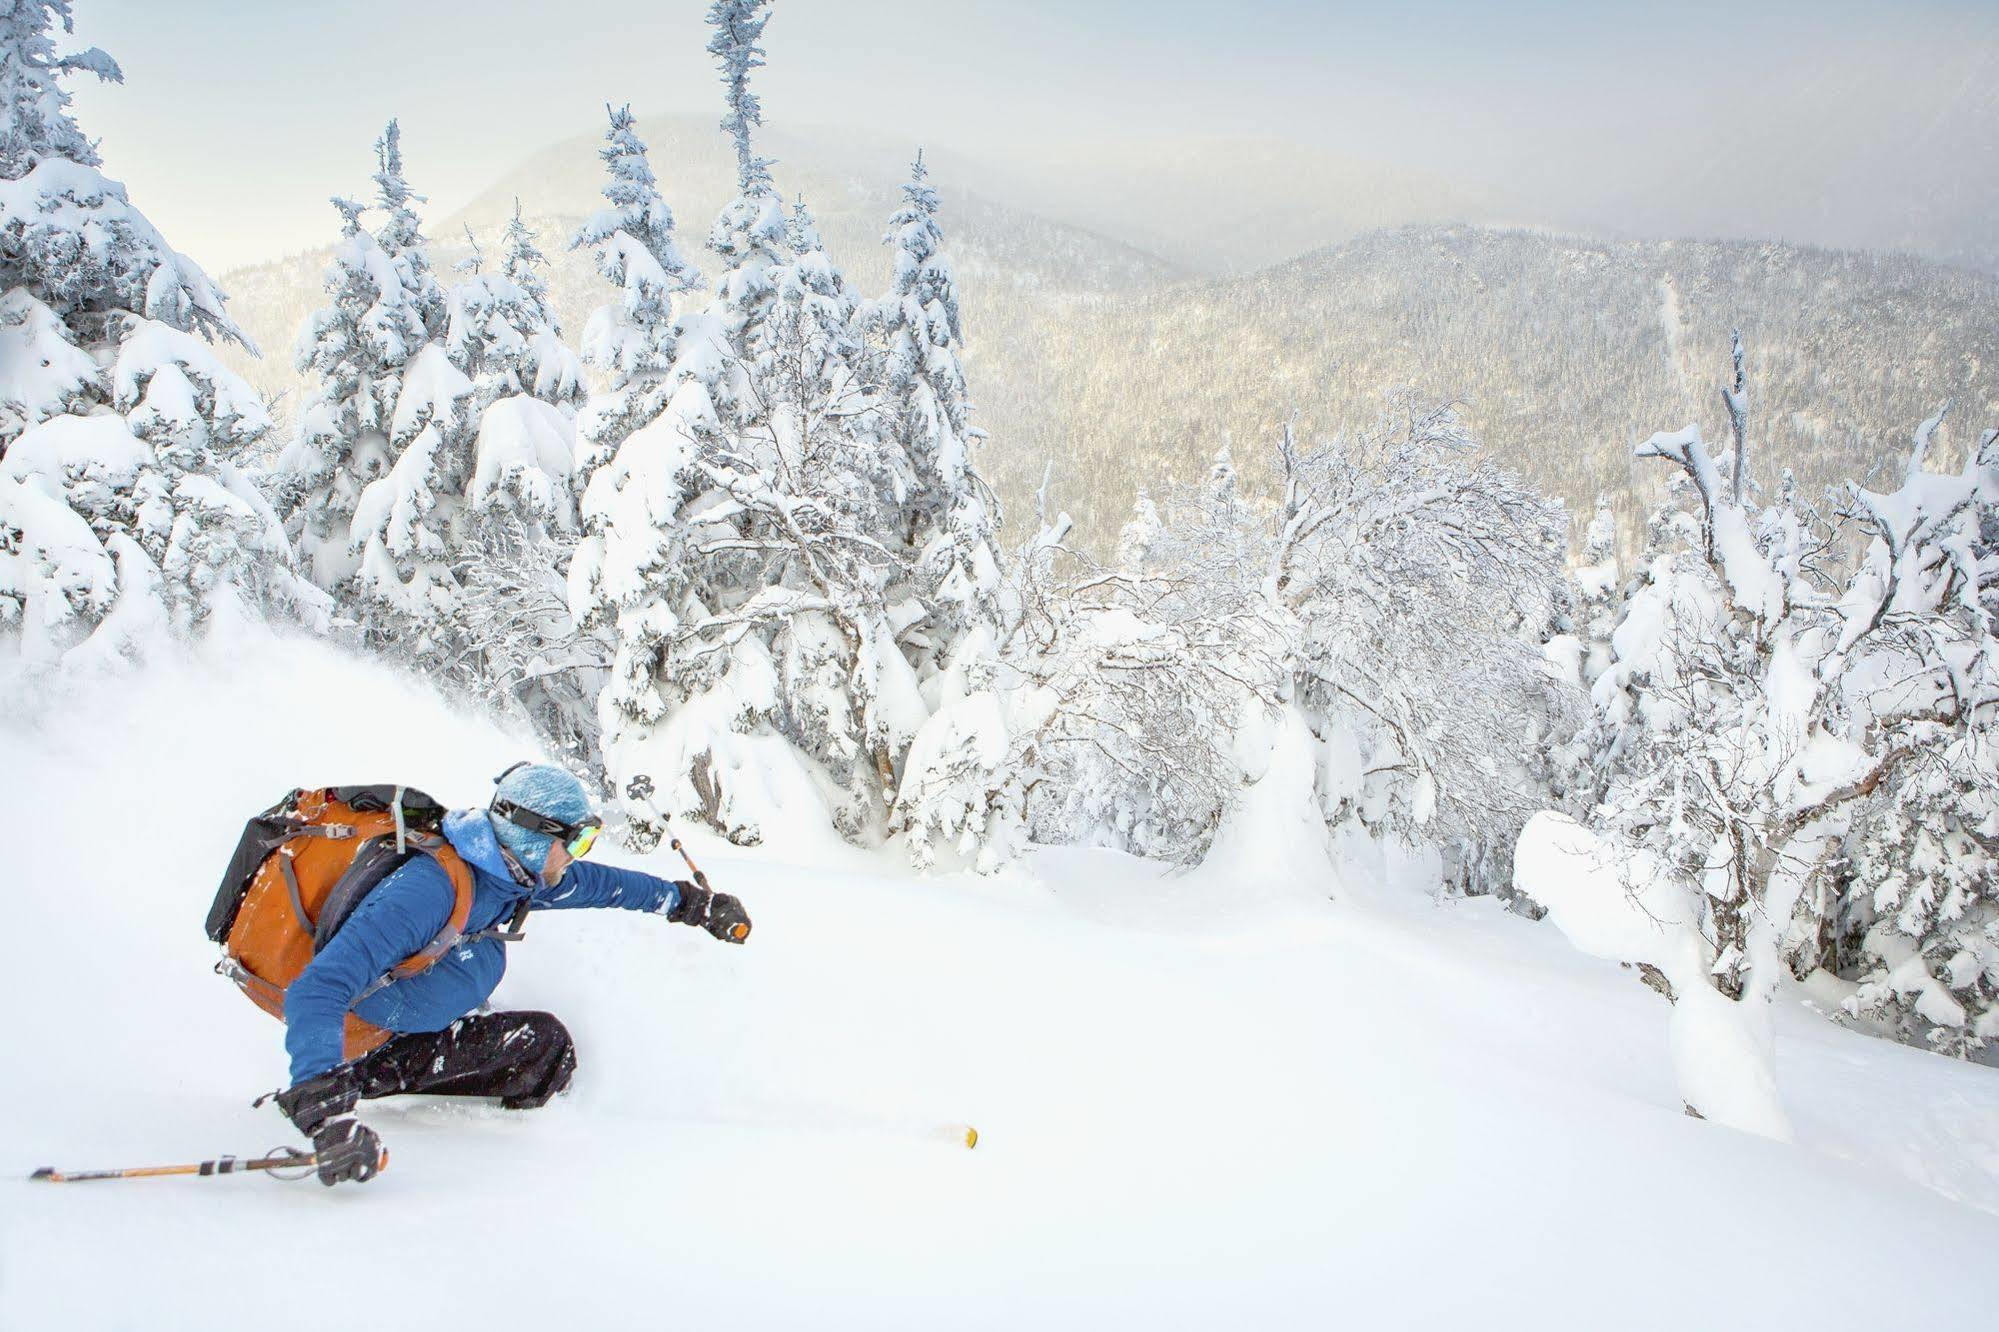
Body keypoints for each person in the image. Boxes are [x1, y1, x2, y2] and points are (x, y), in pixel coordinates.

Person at [272, 763, 751, 1187]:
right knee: (544, 1052)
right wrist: (326, 1112)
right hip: (376, 1034)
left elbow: (603, 885)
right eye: (575, 841)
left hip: (412, 1002)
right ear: (534, 834)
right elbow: (317, 989)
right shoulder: (427, 890)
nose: (577, 855)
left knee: (538, 1045)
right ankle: (369, 1073)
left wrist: (689, 903)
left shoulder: (509, 872)